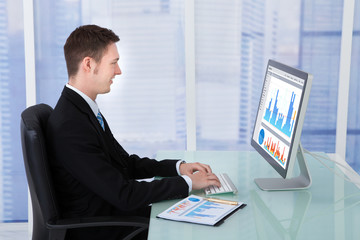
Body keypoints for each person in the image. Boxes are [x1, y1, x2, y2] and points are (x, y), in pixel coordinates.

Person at [46, 24, 220, 240]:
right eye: (114, 63)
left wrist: (178, 168)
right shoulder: (71, 126)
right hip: (104, 228)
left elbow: (124, 164)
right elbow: (124, 195)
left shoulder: (83, 110)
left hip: (115, 215)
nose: (119, 71)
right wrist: (188, 184)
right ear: (89, 64)